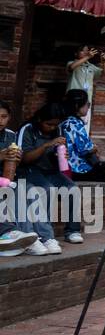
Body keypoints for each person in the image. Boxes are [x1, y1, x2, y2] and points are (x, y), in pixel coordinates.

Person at [14, 102, 70, 256]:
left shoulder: (57, 129)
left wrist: (61, 154)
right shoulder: (27, 129)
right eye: (48, 124)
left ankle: (47, 237)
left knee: (68, 189)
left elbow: (55, 155)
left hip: (48, 170)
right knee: (43, 190)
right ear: (39, 119)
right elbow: (24, 159)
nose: (52, 127)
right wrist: (47, 145)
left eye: (55, 124)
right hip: (26, 171)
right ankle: (37, 237)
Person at [60, 89, 105, 244]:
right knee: (103, 168)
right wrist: (94, 148)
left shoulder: (63, 121)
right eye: (87, 104)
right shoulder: (74, 123)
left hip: (68, 166)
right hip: (77, 169)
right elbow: (84, 149)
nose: (88, 107)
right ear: (78, 106)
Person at [0, 101, 38, 256]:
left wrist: (17, 157)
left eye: (4, 116)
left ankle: (28, 238)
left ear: (9, 117)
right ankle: (10, 233)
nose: (0, 120)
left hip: (5, 179)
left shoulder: (10, 135)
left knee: (26, 190)